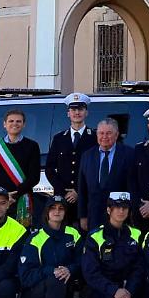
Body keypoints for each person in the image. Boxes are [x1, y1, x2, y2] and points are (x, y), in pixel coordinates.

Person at [17, 194, 86, 298]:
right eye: (53, 208)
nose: (57, 212)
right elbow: (26, 275)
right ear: (46, 213)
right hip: (35, 293)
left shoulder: (73, 234)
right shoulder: (35, 239)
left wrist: (70, 269)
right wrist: (51, 271)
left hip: (64, 292)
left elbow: (83, 261)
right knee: (56, 279)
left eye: (61, 208)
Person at [81, 191, 145, 298]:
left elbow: (139, 268)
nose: (121, 211)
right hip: (101, 290)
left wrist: (128, 290)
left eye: (125, 208)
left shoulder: (136, 234)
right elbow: (90, 273)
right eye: (117, 207)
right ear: (109, 210)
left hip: (127, 290)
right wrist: (114, 291)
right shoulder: (95, 236)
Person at [0, 109, 41, 226]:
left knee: (22, 233)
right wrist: (3, 195)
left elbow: (34, 177)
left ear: (24, 124)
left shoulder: (32, 146)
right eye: (11, 121)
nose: (15, 124)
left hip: (22, 199)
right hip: (0, 200)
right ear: (4, 124)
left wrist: (15, 195)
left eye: (18, 121)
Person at [45, 93, 97, 226]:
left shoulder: (95, 138)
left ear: (86, 113)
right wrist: (64, 191)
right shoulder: (59, 138)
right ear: (68, 113)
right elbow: (50, 168)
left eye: (80, 109)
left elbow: (98, 168)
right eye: (73, 110)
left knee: (86, 234)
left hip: (86, 198)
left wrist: (78, 191)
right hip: (62, 199)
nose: (77, 113)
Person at [77, 118, 133, 232]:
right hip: (94, 216)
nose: (104, 137)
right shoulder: (87, 156)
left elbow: (133, 187)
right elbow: (82, 189)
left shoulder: (129, 154)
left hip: (120, 216)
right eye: (101, 133)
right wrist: (82, 216)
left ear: (116, 135)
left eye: (109, 133)